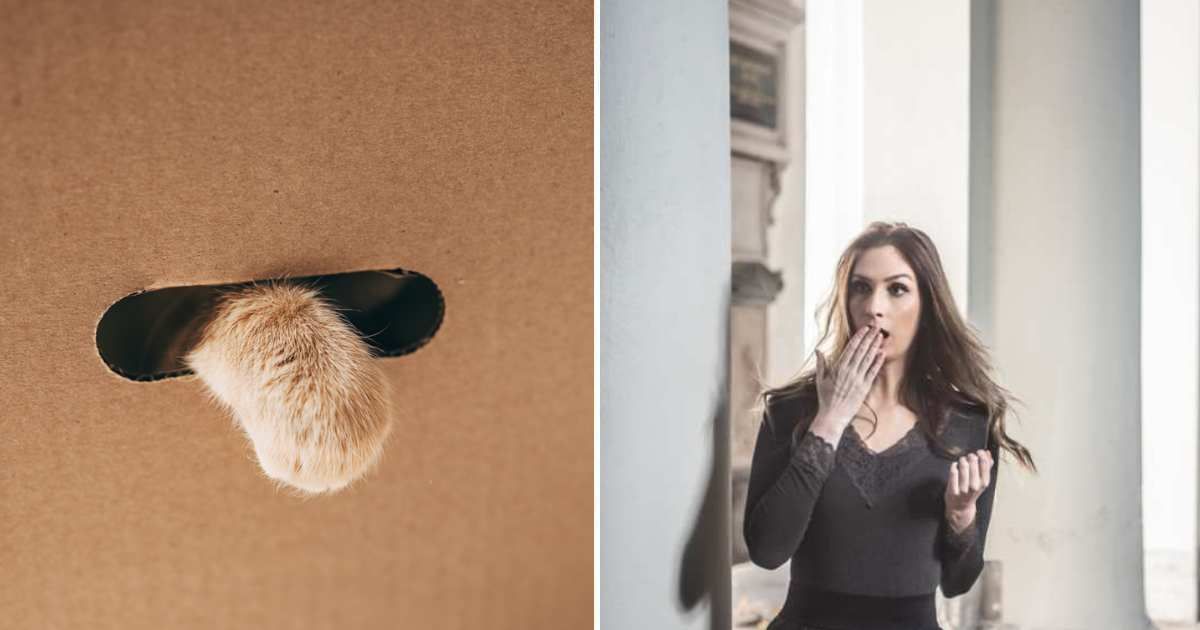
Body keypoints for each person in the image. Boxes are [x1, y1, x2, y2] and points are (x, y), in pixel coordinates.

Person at [743, 221, 1037, 630]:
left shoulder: (969, 422)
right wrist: (829, 422)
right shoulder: (792, 410)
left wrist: (961, 516)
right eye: (861, 288)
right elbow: (767, 550)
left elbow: (958, 582)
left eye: (896, 289)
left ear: (927, 304)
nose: (873, 306)